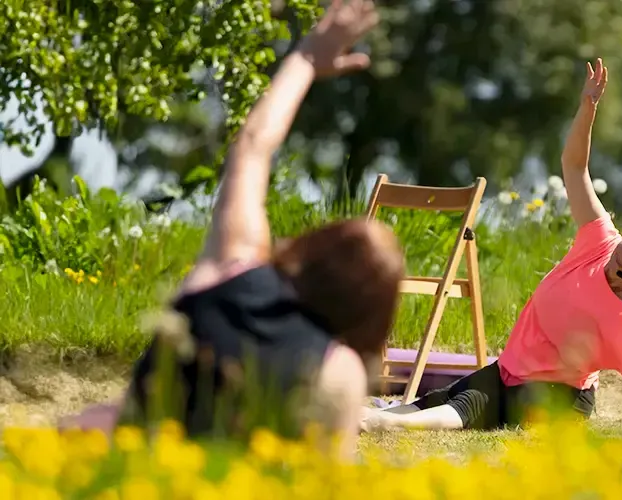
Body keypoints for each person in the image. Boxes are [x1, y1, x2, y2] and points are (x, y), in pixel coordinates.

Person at [58, 0, 398, 460]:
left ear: (312, 248)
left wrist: (306, 58)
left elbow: (254, 146)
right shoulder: (339, 374)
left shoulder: (229, 269)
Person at [360, 58, 622, 432]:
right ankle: (366, 417)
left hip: (557, 396)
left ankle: (378, 425)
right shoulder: (599, 240)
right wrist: (588, 107)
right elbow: (574, 166)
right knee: (434, 401)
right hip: (510, 369)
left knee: (468, 408)